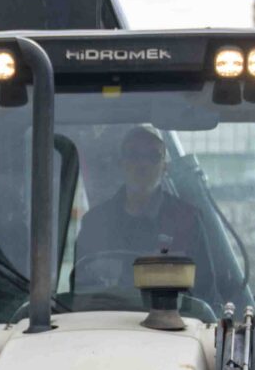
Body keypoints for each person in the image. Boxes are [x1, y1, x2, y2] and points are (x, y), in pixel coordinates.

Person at [73, 127, 212, 303]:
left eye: (153, 157)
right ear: (121, 163)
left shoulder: (187, 220)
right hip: (108, 321)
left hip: (170, 323)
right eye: (134, 155)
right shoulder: (95, 223)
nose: (143, 164)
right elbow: (79, 290)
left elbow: (205, 292)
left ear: (164, 167)